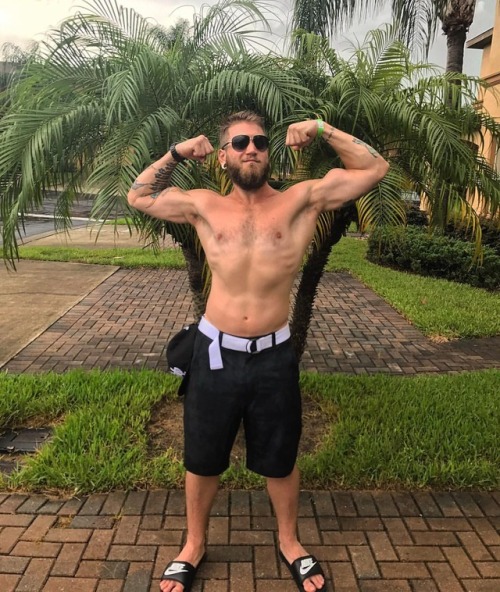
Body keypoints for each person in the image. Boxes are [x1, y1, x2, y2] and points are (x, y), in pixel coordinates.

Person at [127, 111, 389, 592]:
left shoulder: (301, 200)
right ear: (223, 155)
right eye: (240, 142)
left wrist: (323, 130)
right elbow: (138, 195)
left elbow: (375, 170)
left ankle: (289, 542)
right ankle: (193, 544)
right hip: (214, 353)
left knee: (280, 457)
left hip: (273, 356)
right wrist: (178, 152)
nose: (252, 149)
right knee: (202, 457)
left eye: (261, 142)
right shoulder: (203, 205)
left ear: (269, 152)